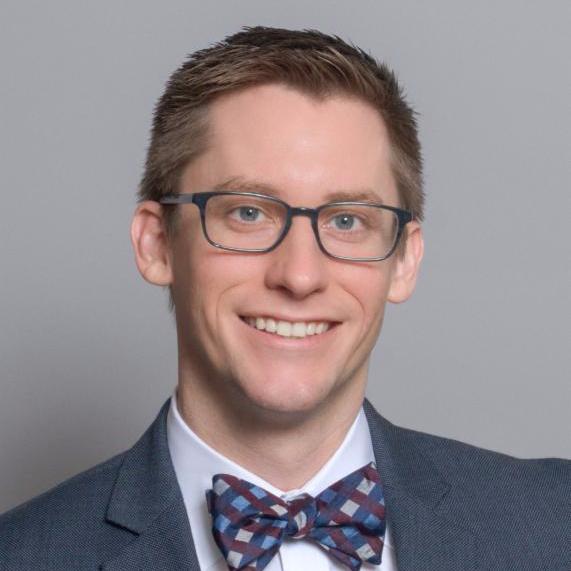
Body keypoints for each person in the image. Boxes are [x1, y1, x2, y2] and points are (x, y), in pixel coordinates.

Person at [0, 26, 569, 571]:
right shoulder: (22, 556)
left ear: (404, 260)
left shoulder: (554, 527)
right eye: (248, 212)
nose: (299, 275)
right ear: (157, 244)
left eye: (347, 220)